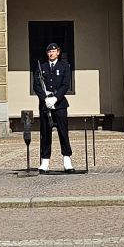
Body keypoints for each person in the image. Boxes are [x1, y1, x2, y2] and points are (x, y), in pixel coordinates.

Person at [32, 41, 74, 172]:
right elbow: (37, 85)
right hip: (45, 105)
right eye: (49, 52)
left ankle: (67, 160)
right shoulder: (41, 67)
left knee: (63, 132)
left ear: (58, 52)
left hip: (60, 104)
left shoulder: (64, 66)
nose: (51, 53)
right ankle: (45, 162)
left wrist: (56, 98)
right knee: (45, 134)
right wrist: (45, 99)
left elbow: (65, 84)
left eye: (53, 51)